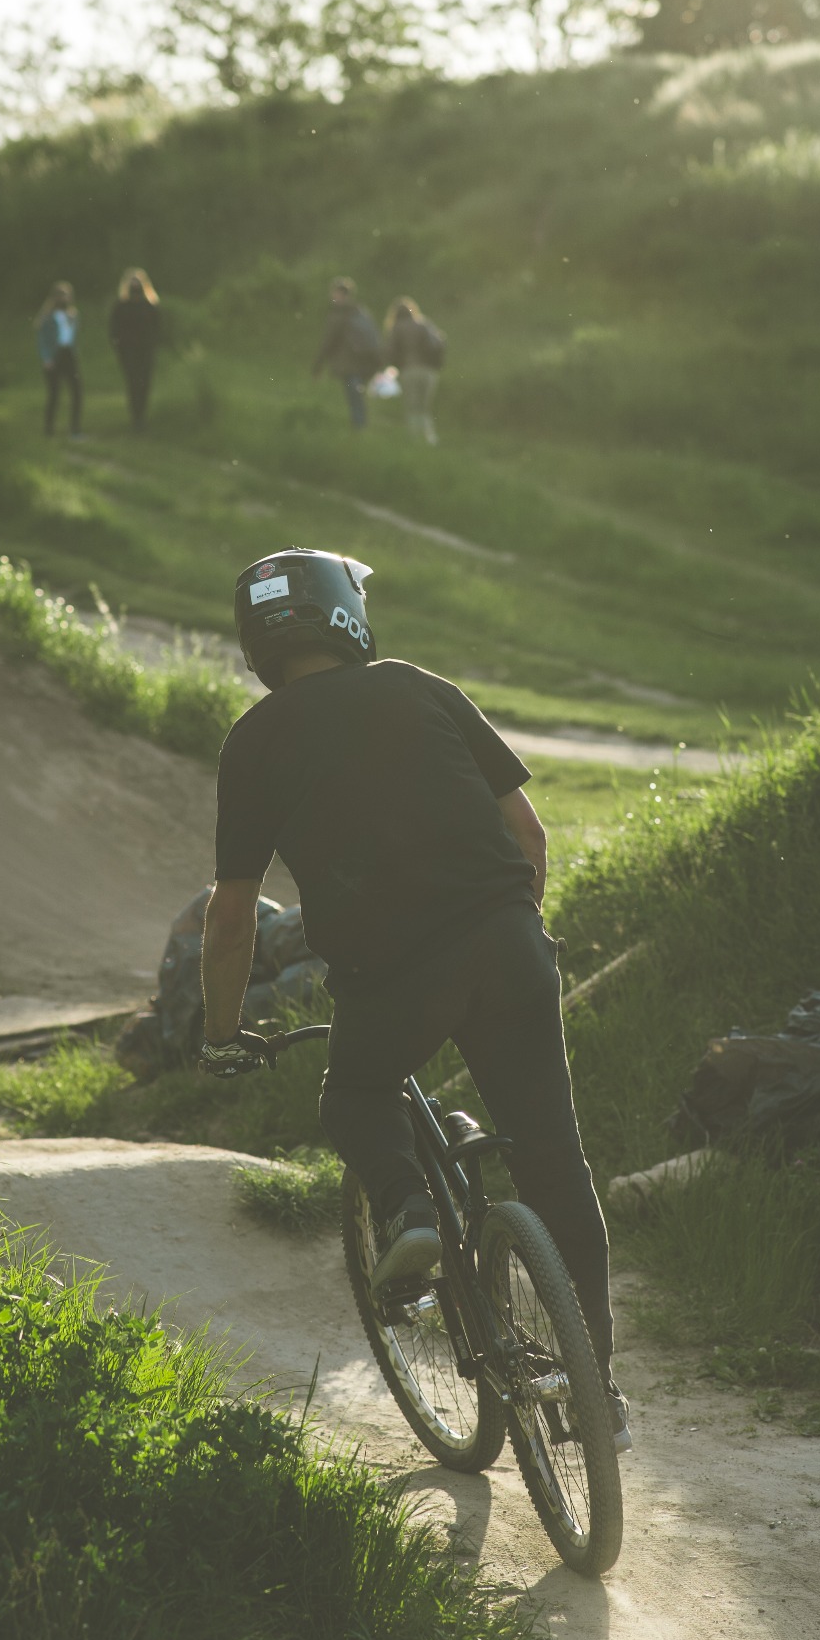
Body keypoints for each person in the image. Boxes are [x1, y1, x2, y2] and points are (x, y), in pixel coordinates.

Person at [196, 548, 629, 1448]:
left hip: (391, 981)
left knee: (353, 1095)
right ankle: (597, 1402)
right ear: (344, 612)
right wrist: (513, 930)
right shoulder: (416, 686)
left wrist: (222, 1030)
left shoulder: (254, 740)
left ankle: (409, 1209)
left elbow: (231, 914)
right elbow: (526, 830)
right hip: (507, 944)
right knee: (556, 1166)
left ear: (258, 643)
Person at [310, 277, 384, 431]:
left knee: (354, 396)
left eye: (334, 293)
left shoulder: (339, 314)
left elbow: (328, 342)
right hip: (365, 363)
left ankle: (358, 428)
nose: (332, 296)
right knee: (357, 396)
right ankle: (360, 427)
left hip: (349, 364)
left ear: (339, 294)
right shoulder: (361, 312)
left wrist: (318, 365)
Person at [384, 295, 446, 446]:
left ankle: (415, 442)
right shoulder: (424, 324)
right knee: (425, 408)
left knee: (412, 408)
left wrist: (394, 367)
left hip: (409, 370)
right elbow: (440, 342)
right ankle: (430, 441)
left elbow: (390, 352)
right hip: (429, 372)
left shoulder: (397, 328)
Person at [107, 268, 162, 431]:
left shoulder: (150, 306)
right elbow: (114, 330)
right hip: (129, 351)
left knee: (145, 383)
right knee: (133, 382)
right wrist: (120, 348)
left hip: (146, 351)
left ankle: (141, 417)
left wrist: (152, 345)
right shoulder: (121, 306)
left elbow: (157, 328)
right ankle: (135, 417)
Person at [35, 281, 82, 438]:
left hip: (69, 355)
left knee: (77, 392)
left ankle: (75, 429)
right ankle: (49, 429)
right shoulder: (47, 317)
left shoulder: (72, 315)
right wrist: (46, 358)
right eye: (61, 295)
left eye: (67, 295)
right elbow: (42, 339)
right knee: (54, 394)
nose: (64, 298)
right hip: (55, 356)